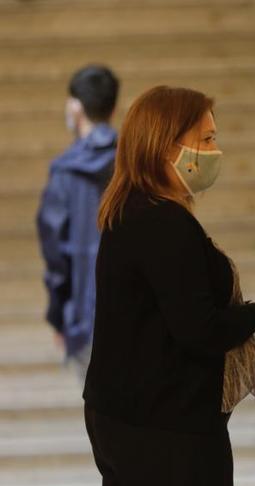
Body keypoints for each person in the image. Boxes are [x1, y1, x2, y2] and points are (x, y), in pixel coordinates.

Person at [83, 86, 255, 486]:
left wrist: (251, 317)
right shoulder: (164, 224)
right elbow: (199, 329)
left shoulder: (130, 209)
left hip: (127, 415)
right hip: (165, 426)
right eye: (207, 139)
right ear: (166, 148)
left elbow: (171, 310)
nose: (215, 151)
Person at [36, 64, 119, 382]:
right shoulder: (136, 163)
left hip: (86, 317)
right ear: (113, 108)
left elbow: (55, 254)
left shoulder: (64, 172)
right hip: (138, 313)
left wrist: (58, 318)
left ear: (75, 106)